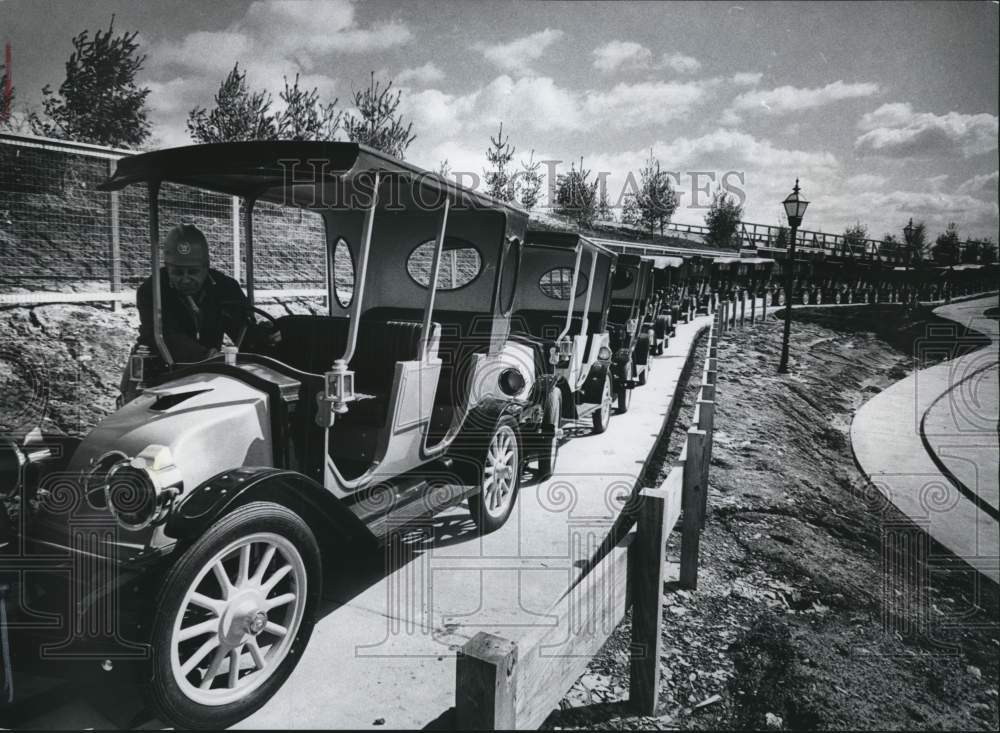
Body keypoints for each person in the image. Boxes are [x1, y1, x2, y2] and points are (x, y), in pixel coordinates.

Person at [120, 224, 277, 401]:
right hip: (159, 370)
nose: (186, 279)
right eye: (178, 272)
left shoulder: (225, 288)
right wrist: (210, 358)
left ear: (206, 267)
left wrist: (264, 336)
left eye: (193, 272)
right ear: (167, 267)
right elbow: (166, 335)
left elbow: (241, 328)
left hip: (208, 372)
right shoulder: (151, 290)